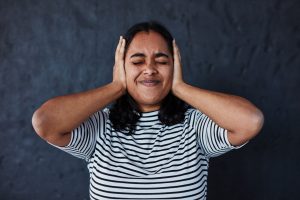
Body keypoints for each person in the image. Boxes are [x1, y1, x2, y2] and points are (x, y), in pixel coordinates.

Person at [32, 21, 264, 200]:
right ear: (121, 67)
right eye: (137, 61)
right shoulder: (100, 127)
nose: (150, 69)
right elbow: (44, 122)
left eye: (162, 61)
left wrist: (181, 88)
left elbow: (250, 121)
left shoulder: (196, 126)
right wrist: (116, 88)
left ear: (175, 67)